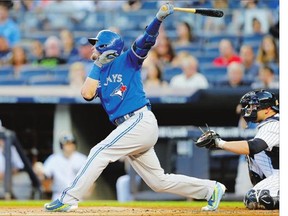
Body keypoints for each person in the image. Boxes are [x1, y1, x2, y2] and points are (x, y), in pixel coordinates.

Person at [44, 2, 226, 212]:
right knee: (158, 182)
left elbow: (146, 41)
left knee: (100, 151)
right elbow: (86, 93)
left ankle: (69, 198)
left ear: (106, 47)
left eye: (97, 44)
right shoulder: (98, 71)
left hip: (139, 120)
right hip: (130, 126)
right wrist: (97, 64)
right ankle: (211, 189)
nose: (92, 47)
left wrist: (157, 19)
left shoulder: (128, 60)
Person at [199, 89, 279, 210]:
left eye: (254, 106)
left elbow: (253, 146)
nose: (250, 109)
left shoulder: (274, 124)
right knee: (253, 156)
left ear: (268, 109)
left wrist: (219, 143)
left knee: (255, 198)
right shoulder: (270, 122)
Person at [34, 132, 87, 200]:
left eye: (71, 143)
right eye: (66, 144)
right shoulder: (53, 158)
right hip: (58, 194)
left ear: (74, 145)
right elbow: (45, 175)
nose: (69, 146)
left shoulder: (82, 158)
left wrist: (87, 192)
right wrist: (39, 170)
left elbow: (91, 177)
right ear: (62, 146)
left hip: (77, 196)